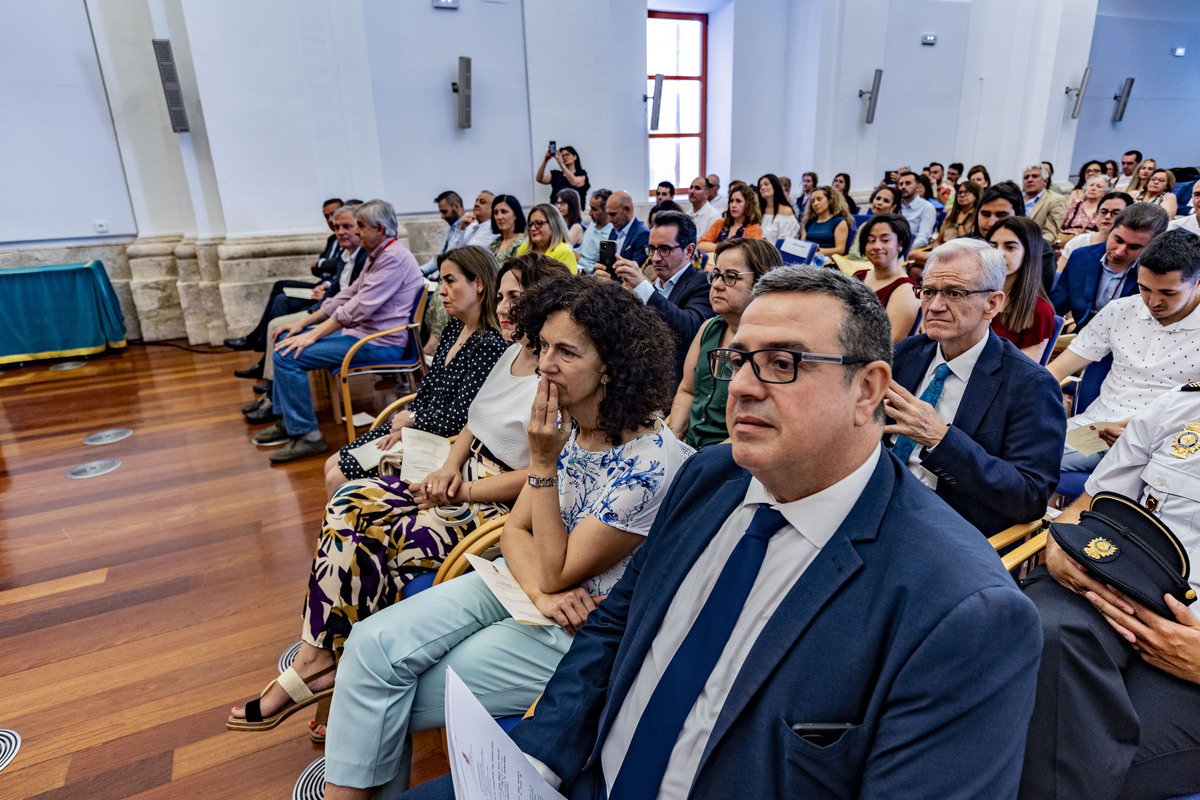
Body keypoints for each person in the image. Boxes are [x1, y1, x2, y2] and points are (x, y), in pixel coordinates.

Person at [401, 264, 1044, 800]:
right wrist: (541, 759)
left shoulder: (964, 609)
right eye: (740, 359)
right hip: (587, 774)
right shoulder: (710, 478)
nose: (741, 386)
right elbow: (614, 629)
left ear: (868, 389)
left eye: (783, 363)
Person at [323, 275, 694, 799]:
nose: (544, 365)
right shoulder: (578, 427)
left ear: (611, 365)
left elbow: (559, 568)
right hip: (529, 592)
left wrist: (542, 461)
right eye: (543, 346)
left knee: (389, 692)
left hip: (580, 630)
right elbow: (518, 532)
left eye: (567, 352)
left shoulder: (648, 463)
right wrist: (541, 589)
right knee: (368, 643)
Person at [225, 254, 571, 738]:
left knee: (376, 531)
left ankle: (340, 676)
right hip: (461, 472)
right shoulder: (513, 352)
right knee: (350, 501)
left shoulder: (555, 374)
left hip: (499, 503)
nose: (505, 306)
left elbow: (543, 471)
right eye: (504, 294)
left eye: (518, 297)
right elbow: (474, 421)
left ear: (549, 302)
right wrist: (448, 468)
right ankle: (327, 662)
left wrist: (463, 487)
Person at [1018, 383, 1200, 799]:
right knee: (1043, 637)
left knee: (1077, 760)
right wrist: (1059, 545)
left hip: (1191, 664)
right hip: (1109, 591)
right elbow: (1089, 506)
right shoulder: (1179, 406)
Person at [889, 238, 1066, 535]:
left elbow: (1029, 497)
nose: (934, 306)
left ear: (992, 304)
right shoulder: (908, 353)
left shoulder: (1030, 385)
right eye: (928, 291)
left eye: (954, 293)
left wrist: (940, 439)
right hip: (881, 500)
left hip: (947, 528)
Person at [321, 245, 509, 493]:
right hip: (419, 427)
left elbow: (462, 417)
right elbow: (429, 386)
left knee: (337, 478)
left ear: (479, 284)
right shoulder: (455, 327)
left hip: (441, 442)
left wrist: (412, 420)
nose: (441, 291)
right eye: (441, 281)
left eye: (450, 281)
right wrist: (406, 423)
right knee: (330, 464)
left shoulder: (489, 345)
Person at [252, 200, 425, 463]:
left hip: (380, 343)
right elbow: (348, 294)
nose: (356, 232)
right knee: (286, 341)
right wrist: (303, 324)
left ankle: (307, 436)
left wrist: (313, 334)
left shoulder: (392, 258)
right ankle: (289, 422)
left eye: (360, 227)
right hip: (363, 335)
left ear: (379, 228)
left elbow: (357, 310)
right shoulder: (380, 252)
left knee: (286, 355)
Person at [1049, 228, 1200, 474]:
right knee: (1022, 455)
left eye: (1168, 293)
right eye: (1144, 288)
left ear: (1197, 282)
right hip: (1096, 431)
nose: (1153, 302)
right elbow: (1054, 371)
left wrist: (1139, 429)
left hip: (1168, 445)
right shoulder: (1120, 311)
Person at [242, 205, 369, 423]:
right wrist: (311, 317)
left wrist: (312, 331)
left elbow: (355, 307)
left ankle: (292, 419)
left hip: (364, 333)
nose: (340, 232)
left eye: (348, 226)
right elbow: (342, 292)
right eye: (336, 226)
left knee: (284, 342)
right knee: (282, 325)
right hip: (339, 316)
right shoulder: (349, 255)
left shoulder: (376, 258)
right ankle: (278, 403)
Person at [668, 238, 782, 449]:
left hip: (733, 457)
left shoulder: (772, 347)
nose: (718, 285)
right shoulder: (708, 328)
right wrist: (673, 442)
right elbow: (687, 391)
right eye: (716, 275)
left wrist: (702, 462)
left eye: (731, 277)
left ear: (762, 283)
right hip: (691, 451)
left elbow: (758, 428)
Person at [603, 210, 714, 387]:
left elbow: (689, 330)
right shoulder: (655, 286)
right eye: (652, 249)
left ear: (689, 250)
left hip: (674, 385)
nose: (655, 258)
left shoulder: (703, 283)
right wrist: (612, 291)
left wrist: (642, 287)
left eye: (664, 249)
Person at [224, 197, 345, 355]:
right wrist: (323, 271)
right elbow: (316, 270)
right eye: (326, 216)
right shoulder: (331, 239)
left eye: (333, 214)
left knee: (282, 297)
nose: (330, 220)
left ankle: (260, 344)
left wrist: (325, 274)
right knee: (281, 289)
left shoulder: (349, 241)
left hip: (328, 290)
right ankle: (259, 341)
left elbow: (335, 265)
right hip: (322, 285)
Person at [1051, 202, 1170, 330]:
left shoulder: (1161, 272)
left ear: (1152, 246)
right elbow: (1055, 308)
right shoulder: (1080, 257)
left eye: (1134, 247)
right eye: (1118, 240)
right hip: (1082, 338)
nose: (1119, 252)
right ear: (1111, 229)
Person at [985, 217, 1056, 362]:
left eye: (1010, 247)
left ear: (1029, 253)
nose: (998, 254)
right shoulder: (974, 294)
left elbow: (1024, 376)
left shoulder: (1039, 311)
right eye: (992, 246)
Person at [973, 181, 1057, 294]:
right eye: (985, 214)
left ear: (1018, 215)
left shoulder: (1040, 250)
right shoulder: (966, 244)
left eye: (1001, 215)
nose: (991, 223)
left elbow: (1038, 295)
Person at [853, 214, 920, 342]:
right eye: (871, 241)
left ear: (900, 244)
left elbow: (889, 344)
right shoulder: (859, 276)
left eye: (885, 240)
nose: (877, 246)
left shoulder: (906, 291)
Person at [1059, 191, 1134, 268]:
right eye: (1103, 212)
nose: (1107, 216)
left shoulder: (1131, 249)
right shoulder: (1079, 242)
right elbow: (1059, 274)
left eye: (1116, 213)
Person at [420, 191, 481, 278]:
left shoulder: (472, 227)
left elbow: (455, 256)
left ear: (456, 206)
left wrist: (434, 275)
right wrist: (421, 270)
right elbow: (441, 255)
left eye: (444, 212)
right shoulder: (450, 230)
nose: (442, 216)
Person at [698, 183, 763, 253]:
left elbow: (752, 254)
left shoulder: (755, 229)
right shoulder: (720, 223)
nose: (733, 205)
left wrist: (717, 247)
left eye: (738, 201)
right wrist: (721, 247)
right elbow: (701, 245)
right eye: (731, 201)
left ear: (748, 204)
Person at [517, 204, 578, 273]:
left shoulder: (563, 251)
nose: (532, 228)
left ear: (554, 224)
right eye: (530, 224)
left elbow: (567, 283)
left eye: (539, 223)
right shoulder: (525, 248)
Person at [799, 186, 853, 256]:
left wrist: (816, 251)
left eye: (819, 199)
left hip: (827, 261)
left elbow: (840, 250)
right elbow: (802, 245)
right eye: (813, 201)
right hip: (808, 259)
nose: (815, 204)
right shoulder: (809, 223)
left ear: (830, 200)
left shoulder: (839, 222)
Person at [1021, 164, 1067, 246]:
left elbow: (1050, 234)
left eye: (1035, 176)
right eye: (1026, 177)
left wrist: (1030, 249)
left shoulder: (1055, 200)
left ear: (1045, 181)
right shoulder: (1014, 197)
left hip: (1033, 247)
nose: (1029, 180)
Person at [605, 190, 650, 262]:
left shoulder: (643, 235)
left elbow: (636, 269)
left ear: (627, 210)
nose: (609, 220)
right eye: (607, 214)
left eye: (613, 214)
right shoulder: (614, 231)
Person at [576, 188, 613, 273]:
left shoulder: (611, 235)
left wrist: (579, 259)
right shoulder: (593, 224)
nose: (589, 213)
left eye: (594, 209)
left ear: (607, 210)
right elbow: (582, 249)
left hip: (589, 275)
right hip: (578, 266)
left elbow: (602, 270)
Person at [897, 171, 937, 249]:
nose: (903, 187)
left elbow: (923, 240)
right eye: (901, 184)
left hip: (910, 251)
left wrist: (899, 249)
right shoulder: (895, 204)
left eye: (908, 183)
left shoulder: (927, 207)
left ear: (917, 186)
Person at [487, 194, 527, 266]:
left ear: (515, 215)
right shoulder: (495, 242)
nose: (499, 217)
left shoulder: (523, 242)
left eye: (504, 212)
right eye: (496, 213)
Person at [756, 173, 798, 241]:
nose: (762, 188)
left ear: (775, 186)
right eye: (760, 186)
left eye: (766, 184)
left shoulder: (786, 211)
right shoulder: (759, 210)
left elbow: (785, 242)